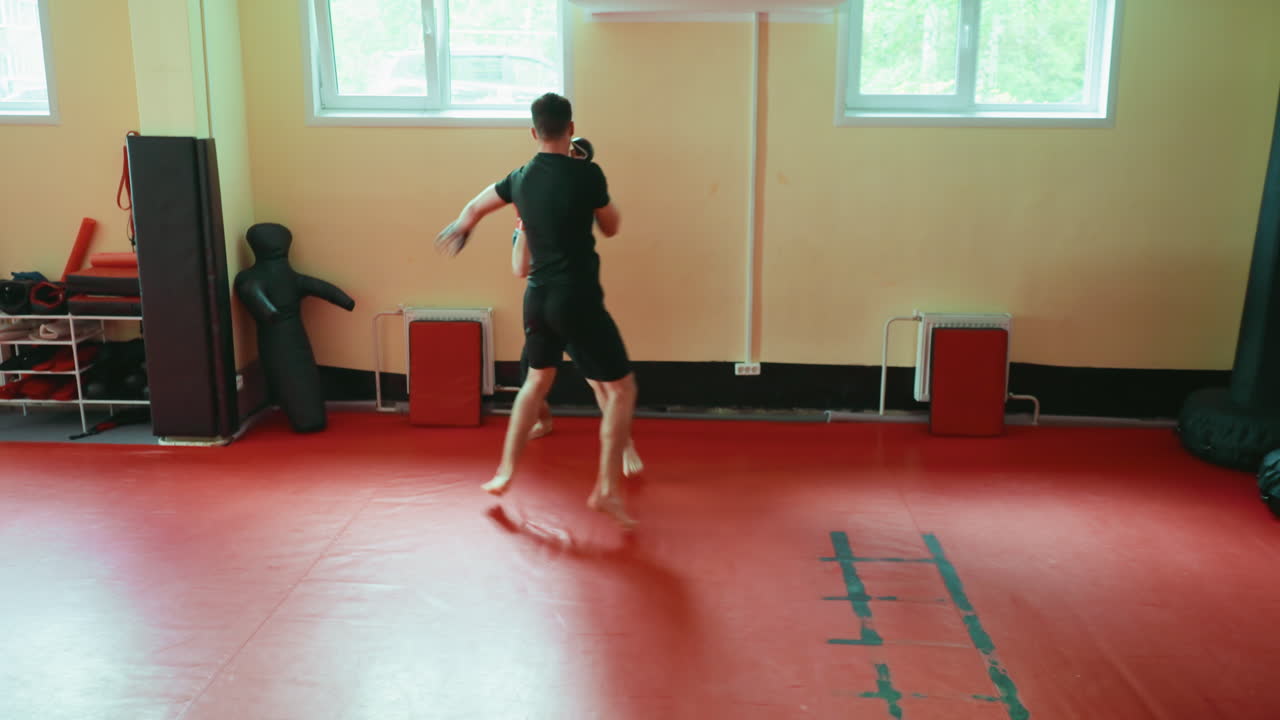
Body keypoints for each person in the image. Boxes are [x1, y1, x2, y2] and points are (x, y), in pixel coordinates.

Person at [435, 92, 640, 528]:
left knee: (536, 381)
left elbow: (474, 208)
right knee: (621, 390)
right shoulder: (587, 174)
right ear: (570, 128)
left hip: (537, 298)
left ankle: (504, 472)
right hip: (576, 297)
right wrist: (593, 188)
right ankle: (606, 488)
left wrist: (461, 227)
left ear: (533, 131)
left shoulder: (520, 177)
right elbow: (613, 226)